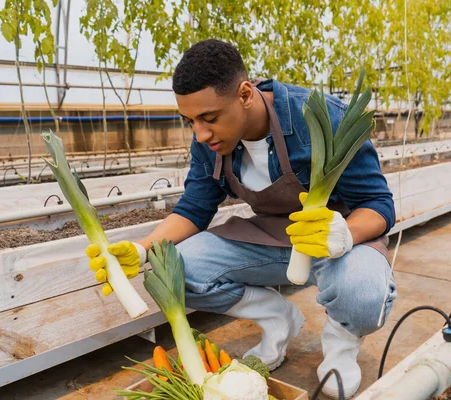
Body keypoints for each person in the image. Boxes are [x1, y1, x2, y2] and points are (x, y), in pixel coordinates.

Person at [85, 39, 397, 399]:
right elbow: (194, 207)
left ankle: (341, 350)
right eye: (190, 121)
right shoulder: (208, 141)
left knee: (362, 294)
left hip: (340, 241)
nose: (200, 134)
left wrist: (344, 233)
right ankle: (276, 318)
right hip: (271, 237)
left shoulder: (323, 118)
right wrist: (142, 250)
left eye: (210, 118)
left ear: (245, 94)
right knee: (171, 270)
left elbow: (378, 204)